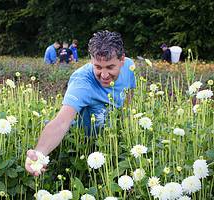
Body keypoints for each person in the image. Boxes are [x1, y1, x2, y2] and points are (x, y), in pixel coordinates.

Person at [25, 30, 136, 176]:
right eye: (97, 67)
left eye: (110, 67)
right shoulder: (82, 82)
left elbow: (129, 96)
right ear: (91, 60)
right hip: (83, 144)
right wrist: (39, 154)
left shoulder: (129, 66)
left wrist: (125, 125)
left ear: (122, 60)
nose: (104, 75)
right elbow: (61, 122)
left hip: (113, 141)